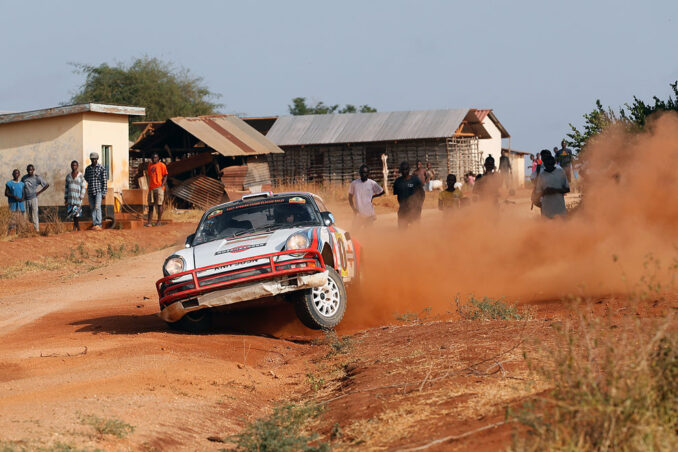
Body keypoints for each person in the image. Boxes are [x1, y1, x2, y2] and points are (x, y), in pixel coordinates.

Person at [534, 154, 570, 218]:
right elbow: (538, 192)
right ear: (544, 164)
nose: (549, 166)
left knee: (561, 223)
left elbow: (567, 189)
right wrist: (545, 192)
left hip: (560, 209)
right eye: (547, 164)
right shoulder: (542, 175)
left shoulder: (560, 172)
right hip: (547, 210)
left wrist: (554, 190)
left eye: (551, 164)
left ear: (554, 163)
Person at [392, 161, 423, 229]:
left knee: (416, 229)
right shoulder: (397, 182)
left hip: (414, 210)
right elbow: (396, 194)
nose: (404, 171)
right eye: (403, 169)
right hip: (403, 210)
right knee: (402, 230)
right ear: (400, 170)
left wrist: (419, 205)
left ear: (409, 169)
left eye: (406, 169)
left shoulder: (415, 180)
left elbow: (422, 193)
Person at [21, 164, 50, 232]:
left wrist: (39, 192)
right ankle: (25, 230)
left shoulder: (37, 178)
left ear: (33, 170)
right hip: (25, 199)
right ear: (27, 170)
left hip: (33, 199)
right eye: (28, 170)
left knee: (34, 214)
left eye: (31, 170)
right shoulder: (24, 178)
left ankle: (36, 230)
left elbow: (46, 185)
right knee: (25, 215)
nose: (30, 171)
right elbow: (21, 187)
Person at [84, 152, 107, 231]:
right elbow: (86, 178)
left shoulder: (101, 168)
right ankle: (94, 224)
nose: (93, 160)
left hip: (98, 191)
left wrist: (104, 192)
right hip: (90, 191)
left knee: (97, 207)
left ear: (97, 159)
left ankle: (99, 224)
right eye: (92, 159)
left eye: (95, 159)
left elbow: (104, 181)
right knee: (92, 207)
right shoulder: (88, 169)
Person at [146, 153, 168, 227]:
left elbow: (165, 175)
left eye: (155, 157)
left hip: (159, 187)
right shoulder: (150, 166)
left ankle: (159, 221)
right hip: (151, 188)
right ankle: (149, 222)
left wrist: (162, 185)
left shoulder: (162, 165)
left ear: (158, 158)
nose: (154, 159)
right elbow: (149, 175)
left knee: (159, 204)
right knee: (150, 205)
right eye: (153, 158)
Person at [64, 160, 86, 231]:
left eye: (75, 165)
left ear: (77, 166)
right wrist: (65, 198)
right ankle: (77, 227)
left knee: (77, 213)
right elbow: (66, 187)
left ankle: (75, 227)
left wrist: (81, 196)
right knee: (72, 213)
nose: (74, 167)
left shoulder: (81, 176)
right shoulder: (68, 176)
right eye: (73, 165)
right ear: (71, 166)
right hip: (70, 197)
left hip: (77, 197)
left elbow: (83, 187)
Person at [5, 169, 25, 234]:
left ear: (19, 175)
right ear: (12, 174)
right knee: (12, 219)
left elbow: (23, 192)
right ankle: (9, 233)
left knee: (20, 219)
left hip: (20, 204)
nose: (16, 174)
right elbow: (6, 193)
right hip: (13, 204)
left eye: (17, 173)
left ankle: (18, 233)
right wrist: (13, 196)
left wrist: (22, 198)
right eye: (15, 173)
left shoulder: (22, 184)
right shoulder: (9, 183)